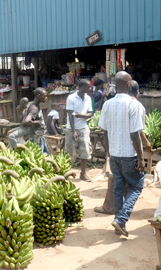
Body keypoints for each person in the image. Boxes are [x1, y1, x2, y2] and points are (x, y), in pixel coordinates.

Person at [98, 71, 145, 237]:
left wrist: (108, 150)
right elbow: (135, 134)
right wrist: (140, 158)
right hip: (129, 155)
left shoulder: (107, 104)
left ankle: (119, 224)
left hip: (115, 154)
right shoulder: (134, 105)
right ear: (129, 83)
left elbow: (104, 132)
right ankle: (121, 219)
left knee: (118, 189)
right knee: (137, 186)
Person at [66, 79, 93, 181]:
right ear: (82, 87)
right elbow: (70, 115)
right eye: (88, 87)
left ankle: (83, 173)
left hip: (84, 128)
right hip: (70, 129)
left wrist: (82, 115)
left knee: (85, 150)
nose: (90, 88)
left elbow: (90, 113)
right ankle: (67, 173)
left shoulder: (88, 98)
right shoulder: (71, 98)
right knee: (69, 151)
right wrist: (73, 131)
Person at [8, 90, 49, 155]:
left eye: (20, 103)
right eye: (45, 96)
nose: (19, 104)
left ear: (23, 103)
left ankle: (20, 150)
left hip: (28, 129)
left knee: (11, 136)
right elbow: (21, 120)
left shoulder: (31, 108)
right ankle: (17, 149)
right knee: (9, 133)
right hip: (29, 129)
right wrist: (18, 112)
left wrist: (35, 122)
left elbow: (26, 121)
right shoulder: (26, 109)